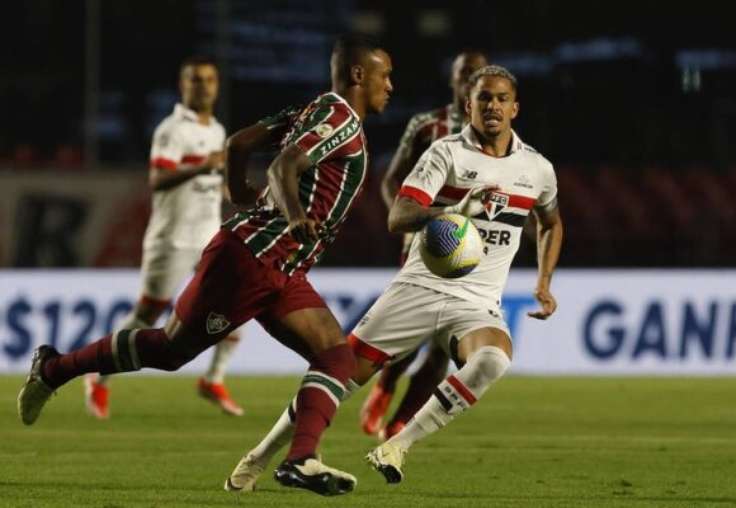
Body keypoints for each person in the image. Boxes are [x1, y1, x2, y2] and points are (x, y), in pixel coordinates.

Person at [18, 34, 394, 497]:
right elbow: (282, 168)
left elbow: (238, 144)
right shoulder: (339, 117)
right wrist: (295, 216)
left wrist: (238, 189)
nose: (390, 86)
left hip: (283, 268)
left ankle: (301, 460)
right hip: (251, 260)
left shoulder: (310, 111)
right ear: (359, 75)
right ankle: (53, 368)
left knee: (338, 356)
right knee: (170, 350)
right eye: (385, 75)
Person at [224, 64, 563, 489]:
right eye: (483, 98)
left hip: (476, 302)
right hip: (418, 289)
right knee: (341, 378)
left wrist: (544, 283)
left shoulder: (537, 169)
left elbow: (551, 222)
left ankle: (398, 444)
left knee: (493, 359)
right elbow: (399, 216)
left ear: (515, 108)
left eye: (500, 99)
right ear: (468, 104)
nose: (491, 106)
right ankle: (259, 457)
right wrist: (454, 211)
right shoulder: (446, 153)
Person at [84, 56, 244, 419]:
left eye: (209, 80)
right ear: (182, 85)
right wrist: (205, 164)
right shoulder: (171, 130)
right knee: (147, 316)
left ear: (217, 86)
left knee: (240, 298)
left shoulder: (217, 129)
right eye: (195, 80)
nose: (203, 86)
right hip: (171, 239)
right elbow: (158, 179)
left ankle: (213, 379)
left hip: (207, 235)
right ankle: (99, 375)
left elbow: (211, 184)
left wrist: (234, 193)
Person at [360, 50, 487, 439]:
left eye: (478, 74)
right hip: (425, 245)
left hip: (471, 251)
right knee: (412, 338)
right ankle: (384, 386)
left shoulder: (498, 136)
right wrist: (404, 224)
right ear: (452, 79)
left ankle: (399, 423)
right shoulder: (425, 125)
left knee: (442, 349)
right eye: (464, 72)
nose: (471, 80)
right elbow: (389, 181)